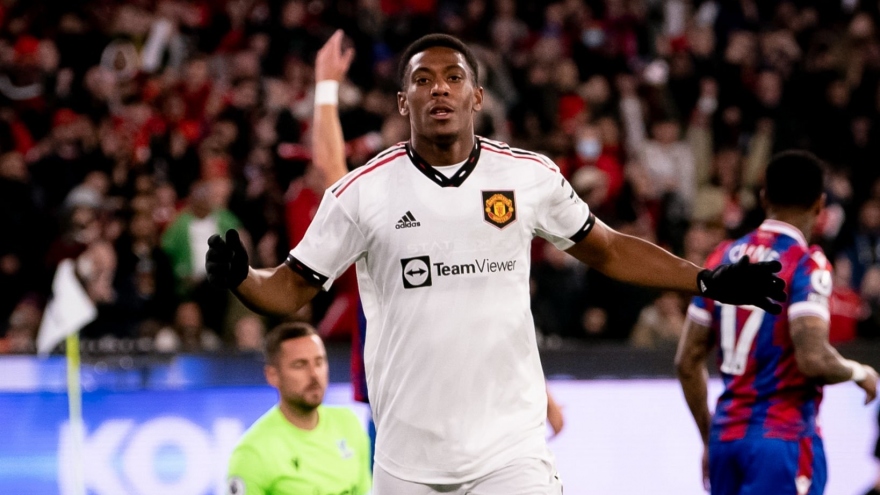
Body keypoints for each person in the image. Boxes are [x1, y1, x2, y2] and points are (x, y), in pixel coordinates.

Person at [207, 33, 785, 493]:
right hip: (406, 462)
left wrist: (703, 278)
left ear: (477, 97)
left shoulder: (527, 177)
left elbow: (608, 247)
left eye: (453, 78)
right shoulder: (361, 194)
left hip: (511, 453)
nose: (439, 89)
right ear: (403, 102)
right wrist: (242, 279)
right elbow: (288, 290)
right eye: (423, 80)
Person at [675, 150, 879, 495]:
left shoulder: (722, 257)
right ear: (820, 204)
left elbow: (686, 361)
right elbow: (812, 359)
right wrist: (860, 373)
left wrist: (710, 438)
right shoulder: (806, 262)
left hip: (727, 440)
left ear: (763, 197)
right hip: (782, 440)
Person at [226, 321, 372, 495]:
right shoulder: (252, 453)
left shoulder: (349, 423)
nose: (314, 374)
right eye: (300, 365)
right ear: (273, 375)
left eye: (319, 362)